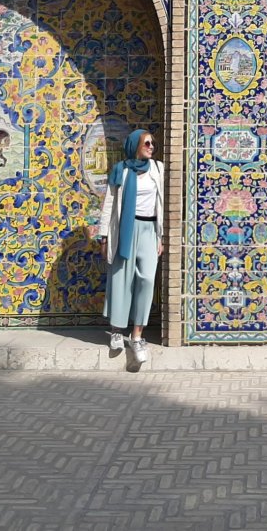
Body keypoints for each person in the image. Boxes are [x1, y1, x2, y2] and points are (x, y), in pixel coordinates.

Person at [95, 128, 164, 363]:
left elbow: (162, 203)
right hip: (125, 229)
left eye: (152, 143)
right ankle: (116, 331)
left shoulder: (157, 168)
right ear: (135, 145)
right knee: (120, 278)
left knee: (146, 279)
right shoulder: (121, 171)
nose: (151, 147)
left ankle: (137, 335)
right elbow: (109, 204)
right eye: (147, 143)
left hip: (149, 230)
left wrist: (160, 237)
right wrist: (104, 236)